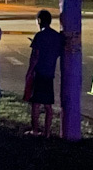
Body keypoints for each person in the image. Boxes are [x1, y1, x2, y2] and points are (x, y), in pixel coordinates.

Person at [25, 10, 64, 138]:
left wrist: (29, 72)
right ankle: (47, 133)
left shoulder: (39, 36)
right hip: (49, 73)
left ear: (40, 21)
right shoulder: (57, 36)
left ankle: (35, 130)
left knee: (36, 104)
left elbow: (35, 56)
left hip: (39, 72)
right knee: (48, 105)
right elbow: (59, 52)